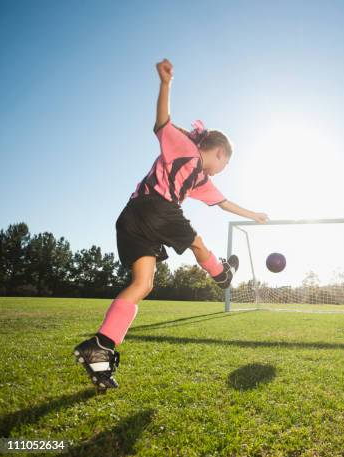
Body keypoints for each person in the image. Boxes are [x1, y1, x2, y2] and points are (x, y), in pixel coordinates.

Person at [73, 59, 268, 391]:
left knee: (143, 284)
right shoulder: (186, 148)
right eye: (226, 162)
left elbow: (223, 203)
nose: (223, 169)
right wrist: (166, 84)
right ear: (218, 152)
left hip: (133, 218)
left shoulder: (199, 181)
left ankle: (100, 347)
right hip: (156, 208)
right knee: (197, 243)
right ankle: (223, 274)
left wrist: (254, 215)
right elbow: (162, 123)